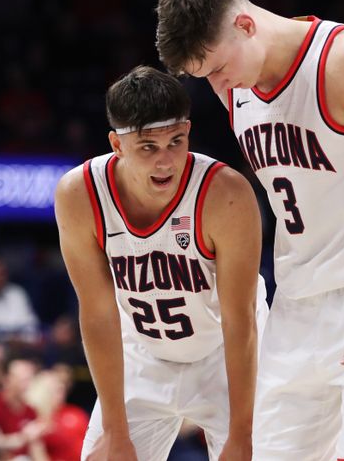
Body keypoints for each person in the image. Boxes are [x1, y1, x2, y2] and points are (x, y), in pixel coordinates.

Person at [156, 0, 344, 460]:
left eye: (218, 68)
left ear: (245, 24)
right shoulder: (232, 88)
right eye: (205, 77)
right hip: (296, 304)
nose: (218, 83)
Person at [54, 65, 265, 461]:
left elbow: (242, 319)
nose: (166, 161)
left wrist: (242, 434)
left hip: (227, 353)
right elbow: (99, 314)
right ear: (117, 145)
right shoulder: (79, 194)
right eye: (148, 147)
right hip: (143, 353)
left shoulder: (226, 194)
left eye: (176, 141)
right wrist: (116, 429)